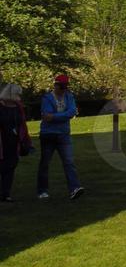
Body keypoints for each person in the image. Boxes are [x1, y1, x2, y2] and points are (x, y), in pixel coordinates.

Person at [38, 73, 84, 201]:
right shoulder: (47, 98)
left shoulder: (69, 97)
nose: (64, 90)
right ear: (55, 85)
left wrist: (55, 117)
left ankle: (74, 188)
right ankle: (42, 190)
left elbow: (72, 112)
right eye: (61, 87)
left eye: (65, 87)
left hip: (63, 134)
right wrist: (63, 116)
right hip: (48, 135)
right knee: (45, 163)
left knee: (69, 162)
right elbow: (47, 115)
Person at [0, 83, 32, 203]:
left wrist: (25, 139)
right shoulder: (1, 107)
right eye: (17, 94)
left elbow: (22, 123)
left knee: (11, 166)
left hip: (14, 141)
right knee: (3, 165)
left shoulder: (18, 107)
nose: (19, 96)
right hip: (2, 140)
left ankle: (6, 193)